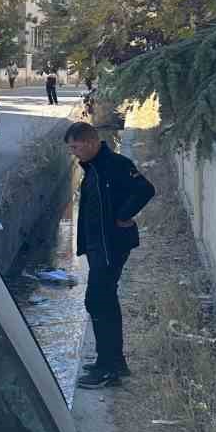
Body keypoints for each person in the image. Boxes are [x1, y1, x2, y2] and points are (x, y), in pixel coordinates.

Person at [65, 121, 155, 389]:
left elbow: (146, 190)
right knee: (103, 301)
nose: (74, 152)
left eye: (76, 146)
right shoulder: (93, 166)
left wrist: (124, 215)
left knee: (98, 301)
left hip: (110, 246)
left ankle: (108, 370)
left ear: (91, 142)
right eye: (71, 148)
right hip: (97, 247)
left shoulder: (115, 164)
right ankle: (113, 362)